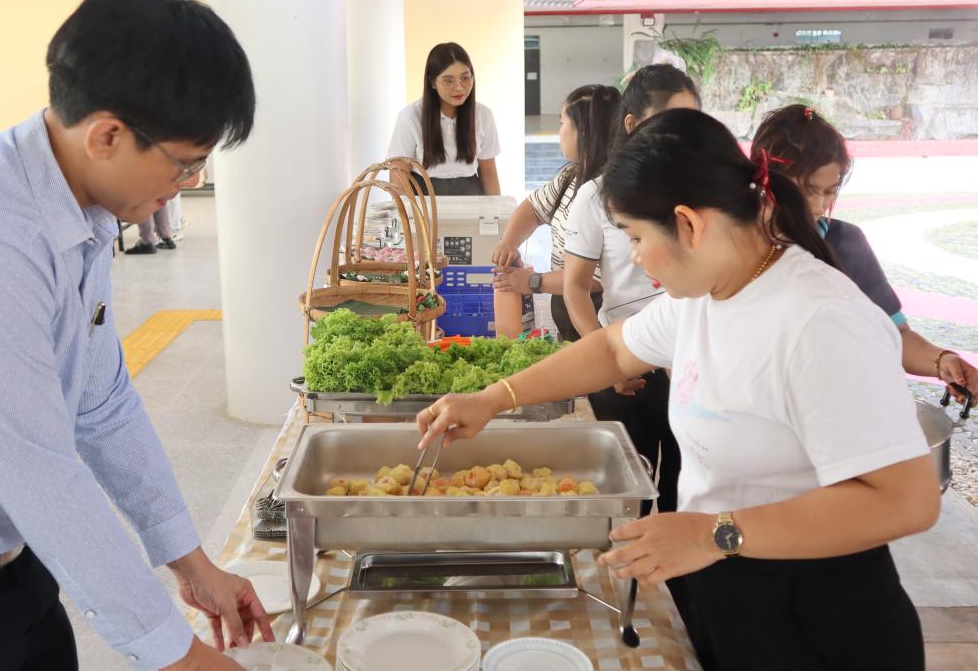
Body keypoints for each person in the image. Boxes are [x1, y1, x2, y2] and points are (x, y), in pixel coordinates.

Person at [418, 108, 940, 671]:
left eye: (637, 237)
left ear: (689, 224)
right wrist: (495, 398)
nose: (635, 257)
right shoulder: (708, 293)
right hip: (730, 589)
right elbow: (613, 349)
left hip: (819, 616)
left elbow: (906, 502)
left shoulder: (821, 320)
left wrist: (713, 534)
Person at [0, 0, 272, 671]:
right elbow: (38, 474)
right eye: (186, 164)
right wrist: (179, 656)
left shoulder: (81, 210)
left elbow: (102, 404)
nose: (190, 183)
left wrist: (191, 565)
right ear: (106, 135)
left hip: (15, 578)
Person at [751, 103, 977, 398]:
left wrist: (943, 361)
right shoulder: (729, 246)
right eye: (806, 190)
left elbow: (895, 335)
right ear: (765, 178)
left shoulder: (846, 244)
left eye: (829, 191)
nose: (818, 207)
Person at [561, 64, 700, 513]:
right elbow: (575, 288)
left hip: (688, 364)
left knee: (686, 492)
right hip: (626, 367)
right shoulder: (596, 196)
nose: (682, 136)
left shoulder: (704, 196)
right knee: (629, 499)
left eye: (691, 121)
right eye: (669, 122)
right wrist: (606, 363)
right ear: (631, 124)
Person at [489, 84, 617, 340]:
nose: (559, 132)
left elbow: (593, 280)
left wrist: (532, 281)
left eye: (562, 123)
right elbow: (533, 208)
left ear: (584, 131)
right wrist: (509, 243)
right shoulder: (571, 176)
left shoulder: (607, 193)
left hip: (596, 313)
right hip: (567, 306)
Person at [388, 42, 500, 195]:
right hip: (424, 196)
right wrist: (407, 209)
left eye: (465, 78)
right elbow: (398, 177)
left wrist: (496, 208)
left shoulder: (483, 115)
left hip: (471, 194)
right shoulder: (410, 117)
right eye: (448, 80)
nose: (459, 87)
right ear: (432, 82)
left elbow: (489, 174)